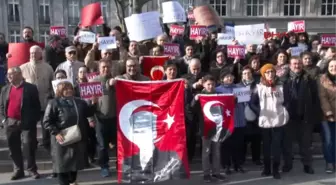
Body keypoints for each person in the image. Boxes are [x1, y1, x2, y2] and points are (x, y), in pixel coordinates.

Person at [43, 81, 97, 185]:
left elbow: (88, 113)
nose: (68, 90)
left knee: (74, 166)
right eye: (65, 89)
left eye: (70, 88)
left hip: (76, 139)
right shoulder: (53, 103)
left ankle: (72, 181)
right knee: (62, 168)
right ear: (60, 91)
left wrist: (93, 104)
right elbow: (47, 121)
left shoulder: (79, 102)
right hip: (61, 139)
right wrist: (56, 133)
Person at [0, 67, 41, 180]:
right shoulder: (5, 89)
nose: (9, 76)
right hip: (11, 122)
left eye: (11, 74)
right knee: (13, 148)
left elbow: (37, 106)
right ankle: (18, 170)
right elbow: (2, 106)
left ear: (19, 74)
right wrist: (4, 120)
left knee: (29, 145)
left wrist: (34, 120)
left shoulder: (31, 88)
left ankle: (32, 169)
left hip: (27, 122)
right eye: (8, 74)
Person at [250, 64, 289, 179]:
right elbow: (252, 103)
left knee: (276, 146)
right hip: (265, 120)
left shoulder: (281, 86)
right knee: (266, 146)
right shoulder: (258, 87)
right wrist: (260, 112)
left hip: (278, 120)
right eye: (267, 72)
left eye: (272, 71)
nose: (270, 74)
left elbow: (288, 100)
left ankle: (276, 169)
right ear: (263, 74)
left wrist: (284, 111)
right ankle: (267, 168)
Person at [192, 75, 226, 183]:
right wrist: (195, 99)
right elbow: (191, 108)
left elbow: (228, 105)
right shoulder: (200, 96)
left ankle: (216, 172)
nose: (210, 86)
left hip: (217, 127)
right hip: (205, 127)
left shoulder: (219, 95)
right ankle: (206, 173)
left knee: (216, 151)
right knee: (206, 152)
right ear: (204, 84)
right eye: (208, 84)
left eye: (212, 84)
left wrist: (234, 99)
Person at [318, 59, 336, 173]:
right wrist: (329, 113)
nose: (334, 68)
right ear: (327, 67)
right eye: (331, 65)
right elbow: (322, 98)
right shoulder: (322, 80)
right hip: (327, 116)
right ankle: (329, 162)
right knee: (329, 140)